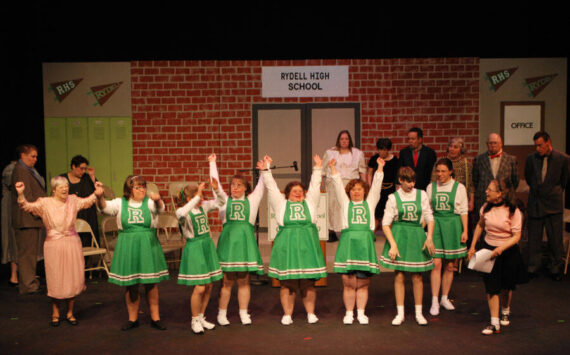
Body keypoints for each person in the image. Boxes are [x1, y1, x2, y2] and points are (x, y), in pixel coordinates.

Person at [15, 177, 104, 326]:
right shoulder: (45, 203)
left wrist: (97, 192)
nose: (65, 189)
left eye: (67, 186)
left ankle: (70, 313)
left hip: (71, 242)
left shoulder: (73, 200)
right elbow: (26, 206)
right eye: (61, 187)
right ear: (54, 189)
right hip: (54, 245)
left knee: (71, 278)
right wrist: (21, 194)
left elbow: (88, 201)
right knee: (56, 278)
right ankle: (55, 312)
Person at [261, 154, 326, 325]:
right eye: (294, 191)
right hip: (287, 246)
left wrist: (318, 168)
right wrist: (267, 169)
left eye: (300, 191)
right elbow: (272, 188)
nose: (298, 193)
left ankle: (310, 313)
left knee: (308, 282)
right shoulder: (281, 204)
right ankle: (287, 314)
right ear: (288, 194)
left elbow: (315, 186)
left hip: (307, 246)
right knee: (287, 283)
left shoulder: (311, 202)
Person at [97, 175, 169, 331]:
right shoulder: (120, 203)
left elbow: (160, 209)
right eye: (138, 187)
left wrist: (158, 200)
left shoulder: (149, 203)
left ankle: (155, 318)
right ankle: (132, 319)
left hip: (147, 244)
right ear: (129, 190)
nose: (142, 189)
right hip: (128, 244)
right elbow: (104, 208)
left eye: (144, 186)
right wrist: (99, 196)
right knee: (131, 284)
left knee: (151, 283)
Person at [210, 156, 265, 326]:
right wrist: (212, 164)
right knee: (227, 280)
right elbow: (215, 187)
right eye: (233, 185)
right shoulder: (224, 201)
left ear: (246, 188)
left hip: (245, 244)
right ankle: (222, 313)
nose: (235, 188)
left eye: (239, 185)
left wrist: (264, 170)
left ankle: (243, 312)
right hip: (229, 244)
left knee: (243, 279)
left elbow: (261, 187)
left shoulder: (252, 200)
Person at [468, 179, 527, 335]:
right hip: (489, 249)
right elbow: (480, 225)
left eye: (490, 189)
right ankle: (494, 323)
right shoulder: (486, 208)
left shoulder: (513, 211)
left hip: (507, 251)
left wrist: (501, 248)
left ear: (500, 194)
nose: (486, 192)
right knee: (491, 286)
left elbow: (516, 236)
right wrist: (473, 245)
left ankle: (505, 309)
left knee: (506, 286)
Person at [330, 156, 384, 325]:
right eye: (353, 189)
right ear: (349, 192)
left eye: (359, 189)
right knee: (348, 282)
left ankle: (361, 312)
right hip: (348, 244)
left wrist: (380, 168)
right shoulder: (345, 203)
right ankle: (348, 313)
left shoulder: (370, 203)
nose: (356, 192)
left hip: (364, 244)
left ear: (364, 191)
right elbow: (338, 186)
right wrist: (333, 169)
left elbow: (376, 187)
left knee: (363, 283)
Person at [379, 166, 435, 326]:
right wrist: (393, 245)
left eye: (413, 181)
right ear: (401, 181)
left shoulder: (422, 194)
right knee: (400, 275)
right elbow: (385, 224)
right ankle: (400, 313)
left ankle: (419, 313)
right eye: (408, 181)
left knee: (418, 276)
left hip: (417, 235)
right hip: (400, 235)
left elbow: (429, 217)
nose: (411, 185)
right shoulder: (393, 197)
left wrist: (429, 237)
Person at [176, 154, 226, 334]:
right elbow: (181, 213)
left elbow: (221, 202)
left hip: (206, 245)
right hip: (195, 247)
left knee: (210, 284)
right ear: (189, 198)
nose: (201, 197)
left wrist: (217, 189)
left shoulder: (202, 206)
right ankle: (194, 319)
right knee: (200, 286)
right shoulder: (183, 212)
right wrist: (196, 197)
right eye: (196, 195)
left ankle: (201, 316)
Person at [426, 158, 468, 316]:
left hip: (452, 226)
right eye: (438, 171)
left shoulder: (459, 187)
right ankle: (435, 300)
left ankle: (445, 297)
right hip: (436, 225)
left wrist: (465, 231)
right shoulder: (431, 187)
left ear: (451, 171)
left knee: (450, 265)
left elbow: (463, 210)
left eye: (443, 171)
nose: (440, 174)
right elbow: (427, 210)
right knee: (436, 264)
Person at [525, 131, 569, 281]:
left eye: (540, 145)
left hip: (553, 204)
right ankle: (533, 267)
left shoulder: (563, 159)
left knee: (555, 239)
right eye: (536, 145)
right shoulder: (531, 159)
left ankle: (555, 267)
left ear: (548, 142)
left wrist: (552, 192)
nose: (538, 148)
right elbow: (529, 177)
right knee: (534, 238)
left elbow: (564, 181)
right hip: (536, 202)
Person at [11, 144, 46, 295]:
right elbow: (27, 196)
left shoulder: (26, 170)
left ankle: (30, 282)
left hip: (30, 219)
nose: (35, 159)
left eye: (36, 156)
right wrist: (41, 211)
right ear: (23, 156)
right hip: (26, 219)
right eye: (32, 156)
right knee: (27, 254)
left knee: (30, 253)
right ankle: (27, 285)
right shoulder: (21, 170)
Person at [322, 130, 366, 241]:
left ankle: (348, 229)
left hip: (350, 184)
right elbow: (323, 169)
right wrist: (320, 182)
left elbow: (362, 170)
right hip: (333, 183)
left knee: (347, 207)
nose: (344, 141)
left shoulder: (357, 153)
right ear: (338, 140)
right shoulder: (330, 153)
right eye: (342, 139)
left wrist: (364, 185)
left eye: (346, 139)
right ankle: (331, 231)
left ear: (350, 140)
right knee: (332, 207)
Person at [473, 133, 519, 224]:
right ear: (486, 144)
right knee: (483, 227)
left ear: (501, 143)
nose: (493, 145)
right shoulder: (479, 159)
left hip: (504, 201)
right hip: (484, 199)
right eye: (490, 143)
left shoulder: (511, 160)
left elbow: (515, 181)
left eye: (495, 143)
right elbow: (475, 180)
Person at [60, 155, 99, 247]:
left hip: (88, 214)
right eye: (81, 168)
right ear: (73, 166)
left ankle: (89, 261)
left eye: (85, 169)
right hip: (70, 214)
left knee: (88, 241)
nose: (83, 171)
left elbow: (98, 190)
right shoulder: (63, 178)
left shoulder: (87, 177)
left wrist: (92, 176)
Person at [431, 138, 474, 212]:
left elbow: (471, 185)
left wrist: (471, 201)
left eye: (455, 147)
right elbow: (433, 181)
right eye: (450, 146)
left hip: (460, 200)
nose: (452, 149)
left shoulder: (466, 165)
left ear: (461, 149)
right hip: (442, 198)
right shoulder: (441, 163)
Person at [367, 138, 399, 232]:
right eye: (380, 149)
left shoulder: (395, 160)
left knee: (390, 213)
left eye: (384, 149)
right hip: (377, 189)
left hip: (390, 189)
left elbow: (397, 176)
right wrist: (370, 186)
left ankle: (391, 235)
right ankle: (372, 233)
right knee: (376, 214)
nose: (382, 152)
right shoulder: (374, 159)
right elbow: (369, 173)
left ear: (388, 149)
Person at [2, 160, 18, 286]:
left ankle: (25, 273)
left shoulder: (29, 170)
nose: (35, 159)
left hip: (22, 209)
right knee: (13, 240)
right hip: (12, 209)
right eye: (32, 156)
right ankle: (14, 275)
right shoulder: (11, 170)